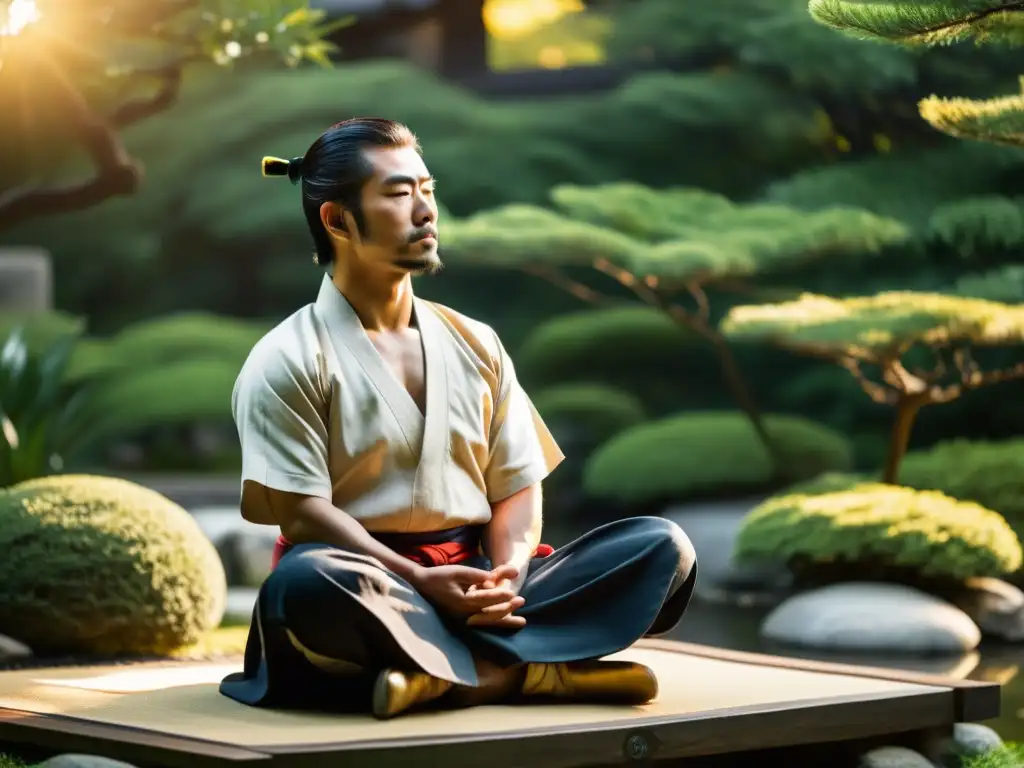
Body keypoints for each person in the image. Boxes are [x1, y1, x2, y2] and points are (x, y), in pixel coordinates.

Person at [219, 117, 697, 720]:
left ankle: (446, 676)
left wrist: (509, 575)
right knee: (306, 587)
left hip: (480, 581)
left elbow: (517, 484)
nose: (425, 211)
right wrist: (418, 583)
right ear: (338, 220)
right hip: (373, 584)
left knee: (661, 547)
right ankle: (530, 670)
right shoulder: (287, 357)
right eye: (398, 194)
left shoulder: (476, 341)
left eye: (428, 189)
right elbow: (302, 512)